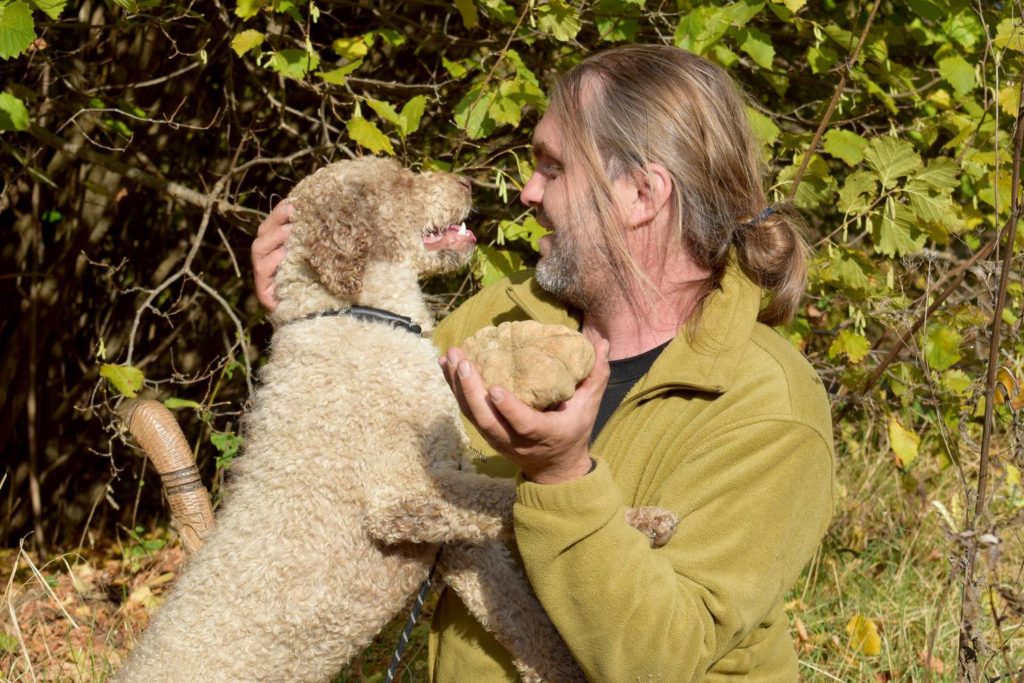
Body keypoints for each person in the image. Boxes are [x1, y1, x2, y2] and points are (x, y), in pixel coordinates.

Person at [253, 44, 834, 682]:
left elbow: (664, 660)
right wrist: (321, 312)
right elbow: (350, 477)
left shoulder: (764, 407)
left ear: (641, 193)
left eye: (553, 168)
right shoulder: (494, 320)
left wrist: (561, 477)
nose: (528, 192)